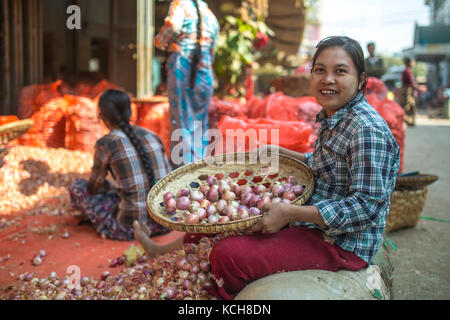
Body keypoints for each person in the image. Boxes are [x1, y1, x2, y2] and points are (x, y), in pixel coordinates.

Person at [134, 36, 400, 300]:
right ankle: (161, 253)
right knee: (214, 222)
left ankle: (215, 294)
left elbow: (367, 206)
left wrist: (289, 212)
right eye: (320, 70)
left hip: (341, 243)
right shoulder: (336, 116)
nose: (327, 79)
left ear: (361, 80)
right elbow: (324, 166)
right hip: (312, 218)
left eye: (340, 71)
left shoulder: (366, 130)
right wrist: (278, 152)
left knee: (227, 255)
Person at [69, 89, 172, 241]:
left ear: (102, 117)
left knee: (77, 186)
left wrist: (108, 187)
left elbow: (93, 188)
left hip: (131, 229)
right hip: (165, 223)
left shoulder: (106, 143)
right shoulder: (151, 135)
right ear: (131, 112)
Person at [154, 0, 220, 167]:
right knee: (200, 124)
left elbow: (172, 26)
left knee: (182, 122)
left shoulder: (180, 5)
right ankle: (200, 169)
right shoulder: (210, 14)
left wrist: (160, 42)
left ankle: (184, 173)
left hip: (183, 70)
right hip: (204, 73)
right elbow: (212, 50)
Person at [400, 57, 427, 126]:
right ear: (409, 63)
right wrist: (420, 87)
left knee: (410, 106)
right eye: (413, 61)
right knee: (407, 106)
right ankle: (405, 120)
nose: (414, 63)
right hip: (407, 93)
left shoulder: (408, 71)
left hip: (409, 92)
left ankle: (410, 121)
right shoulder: (407, 71)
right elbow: (411, 83)